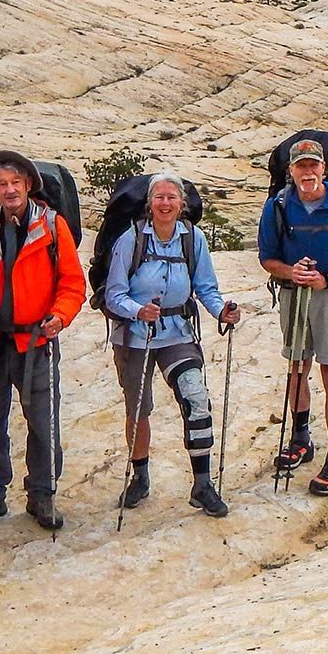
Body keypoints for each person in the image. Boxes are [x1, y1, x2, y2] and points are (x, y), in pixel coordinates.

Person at [0, 150, 86, 530]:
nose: (10, 189)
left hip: (36, 340)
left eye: (16, 182)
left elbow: (72, 282)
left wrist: (60, 316)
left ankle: (42, 495)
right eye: (2, 184)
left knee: (43, 421)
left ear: (29, 185)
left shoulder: (52, 226)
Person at [104, 172, 242, 517]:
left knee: (196, 398)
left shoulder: (192, 239)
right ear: (149, 204)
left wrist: (220, 311)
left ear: (182, 204)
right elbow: (113, 293)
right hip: (135, 336)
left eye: (172, 198)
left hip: (178, 331)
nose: (165, 204)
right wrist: (138, 311)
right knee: (138, 409)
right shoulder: (130, 239)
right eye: (159, 198)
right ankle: (140, 477)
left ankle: (203, 484)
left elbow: (205, 287)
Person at [257, 139, 328, 496]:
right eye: (300, 166)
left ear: (324, 169)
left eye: (313, 166)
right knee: (296, 368)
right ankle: (301, 438)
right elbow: (267, 257)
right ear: (291, 172)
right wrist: (291, 272)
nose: (307, 173)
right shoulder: (279, 206)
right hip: (294, 295)